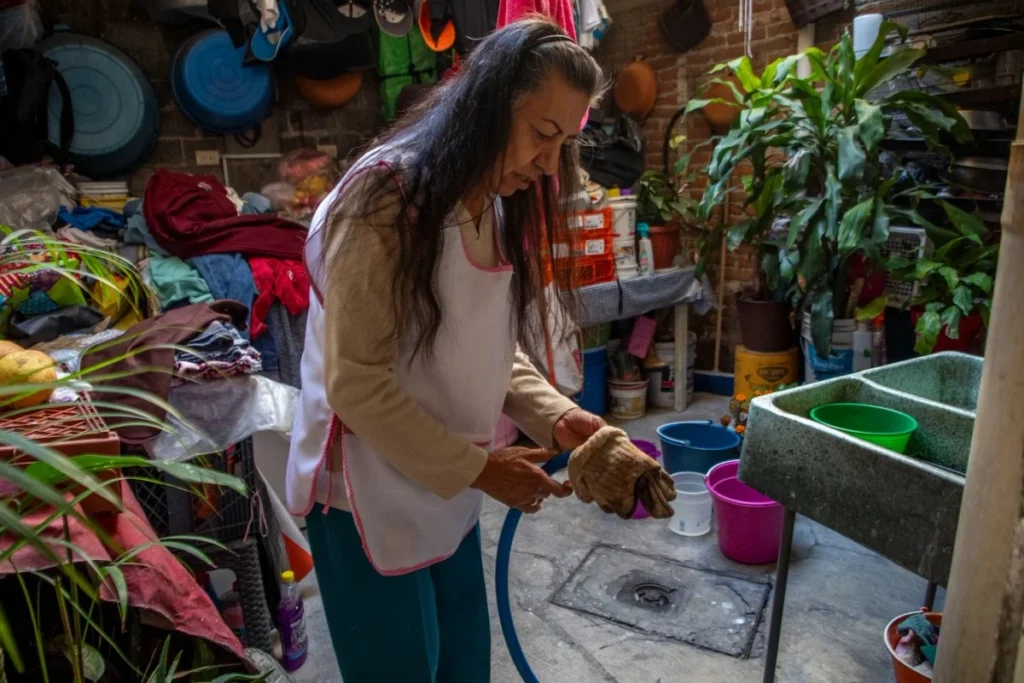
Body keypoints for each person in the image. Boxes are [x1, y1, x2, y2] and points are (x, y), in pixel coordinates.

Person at [286, 19, 606, 682]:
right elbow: (357, 383)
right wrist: (483, 470)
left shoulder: (491, 202)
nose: (550, 165)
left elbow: (482, 344)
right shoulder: (385, 200)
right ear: (490, 105)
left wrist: (559, 416)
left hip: (446, 480)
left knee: (462, 665)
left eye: (565, 144)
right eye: (542, 134)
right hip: (364, 490)